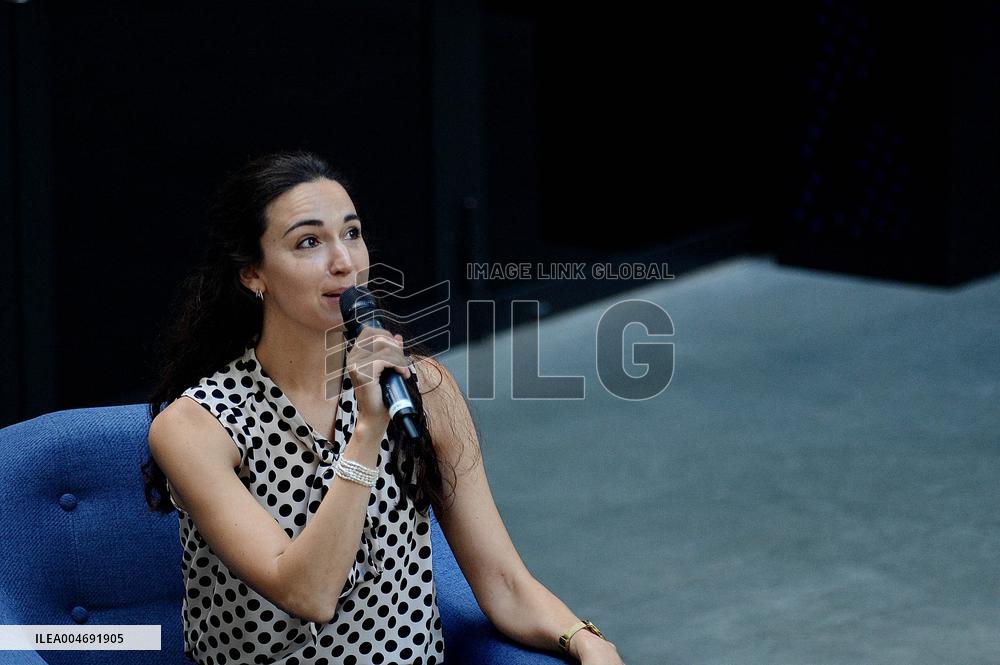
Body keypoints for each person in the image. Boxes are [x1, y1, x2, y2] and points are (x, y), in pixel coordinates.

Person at [141, 149, 624, 665]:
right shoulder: (197, 426)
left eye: (351, 233)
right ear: (252, 274)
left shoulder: (425, 389)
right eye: (309, 242)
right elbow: (308, 594)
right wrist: (368, 428)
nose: (344, 262)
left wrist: (585, 639)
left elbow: (502, 581)